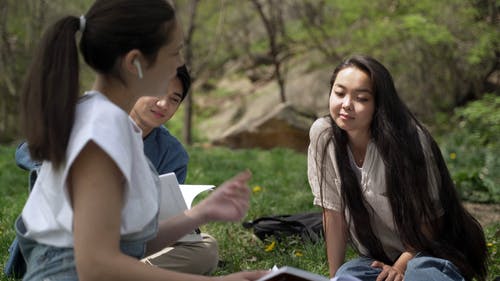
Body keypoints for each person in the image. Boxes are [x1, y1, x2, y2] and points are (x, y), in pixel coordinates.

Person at [16, 0, 267, 280]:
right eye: (174, 52)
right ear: (135, 62)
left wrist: (201, 212)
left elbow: (128, 246)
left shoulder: (113, 123)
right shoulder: (100, 130)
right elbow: (96, 265)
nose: (180, 63)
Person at [9, 65, 219, 276]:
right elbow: (26, 151)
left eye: (174, 99)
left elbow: (162, 218)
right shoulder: (93, 118)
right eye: (157, 91)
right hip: (66, 241)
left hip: (128, 242)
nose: (163, 104)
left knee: (206, 248)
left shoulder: (173, 154)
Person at [307, 55, 488, 281]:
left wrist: (401, 266)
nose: (346, 105)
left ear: (379, 104)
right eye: (339, 93)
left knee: (422, 274)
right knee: (348, 275)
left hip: (427, 250)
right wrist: (333, 278)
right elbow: (333, 214)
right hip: (376, 258)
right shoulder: (324, 136)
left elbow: (431, 219)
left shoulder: (409, 141)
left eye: (361, 98)